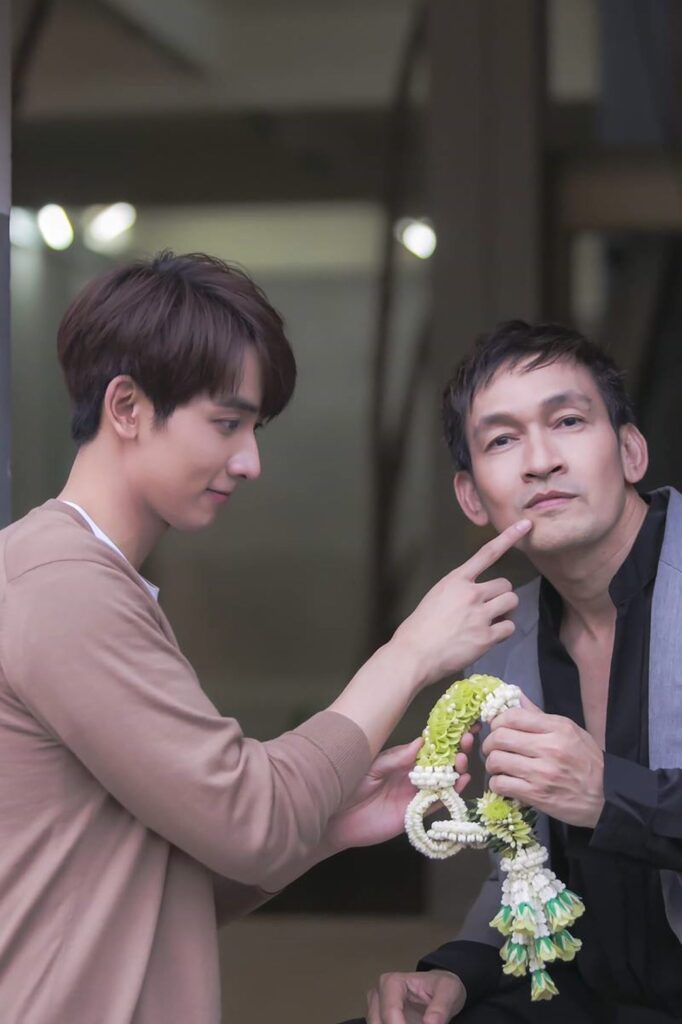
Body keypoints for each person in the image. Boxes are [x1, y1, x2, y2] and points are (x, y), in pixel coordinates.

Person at [0, 253, 531, 1024]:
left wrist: (324, 825)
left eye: (254, 428)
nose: (249, 461)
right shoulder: (64, 589)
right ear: (127, 407)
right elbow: (249, 820)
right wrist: (409, 654)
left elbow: (143, 884)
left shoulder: (72, 577)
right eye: (227, 423)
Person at [357, 320, 682, 1024]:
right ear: (472, 497)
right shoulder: (503, 642)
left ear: (630, 451)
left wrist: (611, 796)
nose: (540, 461)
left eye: (567, 421)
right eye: (503, 440)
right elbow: (523, 863)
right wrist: (462, 971)